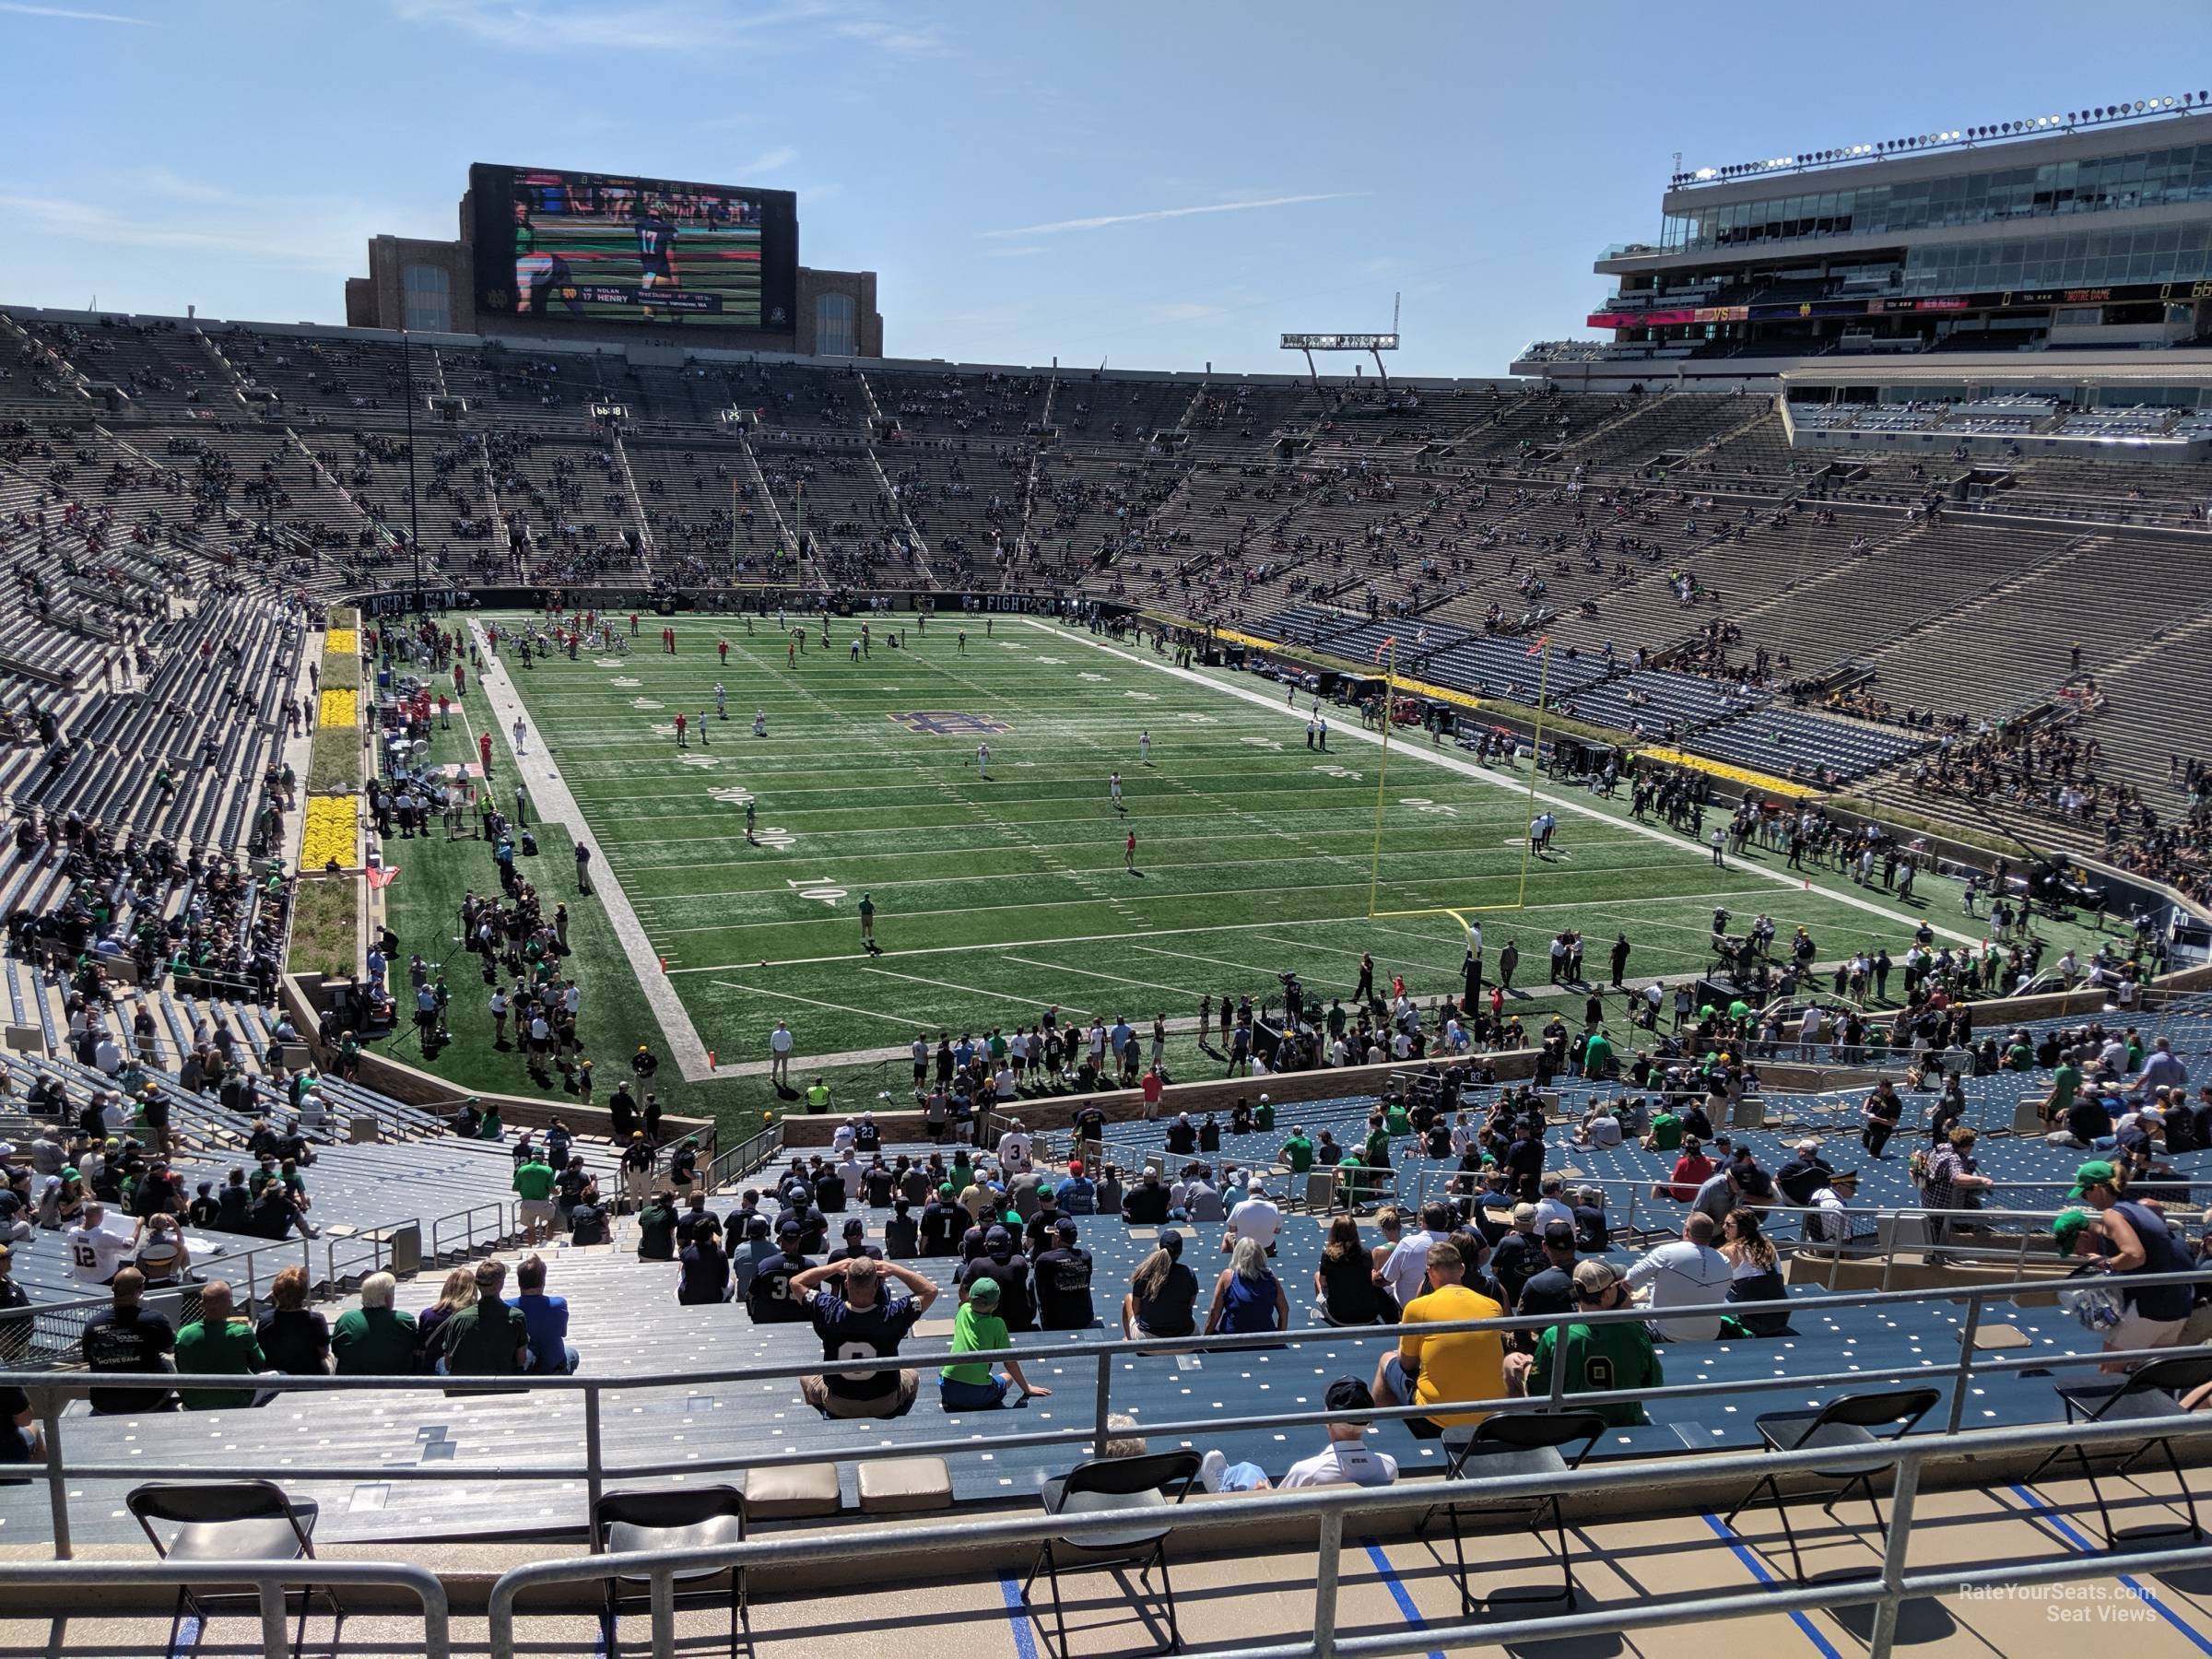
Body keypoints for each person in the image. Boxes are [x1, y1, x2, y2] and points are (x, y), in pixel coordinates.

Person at [1372, 1241, 1506, 1435]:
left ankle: (1376, 1429)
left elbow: (1407, 1364)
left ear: (1430, 1271)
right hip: (1489, 1415)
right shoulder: (1492, 1306)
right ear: (1461, 1269)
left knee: (1387, 1359)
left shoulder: (1417, 1308)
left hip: (1436, 1417)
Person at [1517, 1259, 1662, 1425]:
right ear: (1607, 1294)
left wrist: (1527, 1367)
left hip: (1570, 1428)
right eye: (1616, 1286)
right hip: (1625, 1423)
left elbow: (1537, 1391)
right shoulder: (1635, 1331)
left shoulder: (1555, 1334)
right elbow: (1653, 1382)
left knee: (1512, 1363)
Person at [792, 1255, 936, 1418]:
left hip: (838, 1402)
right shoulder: (893, 1314)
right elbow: (930, 1290)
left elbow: (796, 1282)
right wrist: (894, 1269)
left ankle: (826, 1415)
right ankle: (899, 1414)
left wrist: (834, 1267)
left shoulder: (827, 1309)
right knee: (912, 1375)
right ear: (877, 1284)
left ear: (846, 1284)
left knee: (806, 1378)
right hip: (884, 1403)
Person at [938, 1276, 1051, 1409]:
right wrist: (1027, 1389)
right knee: (1007, 1377)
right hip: (978, 1396)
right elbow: (1010, 1363)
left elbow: (963, 1299)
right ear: (996, 1305)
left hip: (948, 1389)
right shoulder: (997, 1324)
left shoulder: (963, 1311)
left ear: (970, 1298)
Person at [80, 1267, 176, 1414]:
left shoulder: (92, 1325)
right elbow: (169, 1347)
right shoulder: (155, 1320)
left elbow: (88, 1360)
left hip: (104, 1404)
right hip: (149, 1401)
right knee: (169, 1360)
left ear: (113, 1289)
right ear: (141, 1288)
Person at [1623, 1214, 1733, 1341]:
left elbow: (1627, 1282)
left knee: (1628, 1309)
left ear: (1686, 1231)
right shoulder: (1725, 1261)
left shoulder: (1666, 1252)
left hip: (1665, 1334)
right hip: (1710, 1335)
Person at [1280, 1376, 1399, 1488]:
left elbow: (1277, 1505)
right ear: (1369, 1422)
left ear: (1327, 1418)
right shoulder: (1389, 1466)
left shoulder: (1307, 1472)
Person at [173, 1281, 265, 1410]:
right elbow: (259, 1365)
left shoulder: (184, 1334)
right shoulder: (242, 1332)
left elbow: (180, 1367)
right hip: (239, 1402)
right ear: (230, 1303)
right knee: (279, 1376)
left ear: (201, 1305)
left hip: (194, 1404)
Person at [436, 1260, 529, 1375]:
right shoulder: (517, 1317)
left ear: (477, 1284)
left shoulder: (458, 1318)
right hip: (504, 1384)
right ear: (501, 1284)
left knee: (440, 1362)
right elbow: (521, 1360)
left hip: (465, 1386)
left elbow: (448, 1364)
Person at [333, 1272, 422, 1375]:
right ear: (387, 1298)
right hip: (396, 1380)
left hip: (350, 1382)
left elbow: (336, 1350)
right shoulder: (404, 1319)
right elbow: (417, 1351)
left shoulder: (346, 1319)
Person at [1719, 1209, 1790, 1337]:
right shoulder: (1768, 1246)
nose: (1724, 1227)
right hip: (1781, 1318)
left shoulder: (1731, 1251)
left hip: (1754, 1321)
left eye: (1729, 1225)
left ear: (1742, 1228)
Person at [256, 1265, 332, 1375]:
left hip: (277, 1378)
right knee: (331, 1357)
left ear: (276, 1294)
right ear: (304, 1294)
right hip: (311, 1377)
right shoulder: (317, 1320)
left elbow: (261, 1351)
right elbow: (324, 1352)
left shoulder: (264, 1320)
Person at [1123, 1231, 1200, 1339]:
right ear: (1180, 1252)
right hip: (1185, 1339)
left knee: (1128, 1299)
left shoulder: (1144, 1273)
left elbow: (1136, 1310)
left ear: (1159, 1248)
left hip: (1149, 1342)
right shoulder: (1189, 1273)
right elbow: (1190, 1305)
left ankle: (1128, 1339)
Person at [1315, 1214, 1388, 1325]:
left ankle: (1327, 1314)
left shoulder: (1329, 1255)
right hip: (1369, 1315)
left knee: (1317, 1275)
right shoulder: (1367, 1253)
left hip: (1340, 1317)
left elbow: (1322, 1282)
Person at [1206, 1237, 1287, 1335]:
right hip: (1265, 1338)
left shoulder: (1227, 1276)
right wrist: (1280, 1336)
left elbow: (1214, 1312)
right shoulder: (1271, 1277)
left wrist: (1205, 1338)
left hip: (1232, 1339)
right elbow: (1284, 1309)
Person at [1033, 1219, 1097, 1330]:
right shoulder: (1086, 1256)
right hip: (1083, 1318)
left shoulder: (1044, 1259)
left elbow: (1038, 1287)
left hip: (1055, 1321)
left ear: (1057, 1237)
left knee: (1032, 1283)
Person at [1222, 1177, 1281, 1257]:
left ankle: (1230, 1263)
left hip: (1244, 1250)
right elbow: (1277, 1230)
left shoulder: (1239, 1206)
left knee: (1227, 1235)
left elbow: (1231, 1229)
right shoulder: (1273, 1207)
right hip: (1266, 1250)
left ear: (1248, 1192)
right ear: (1263, 1191)